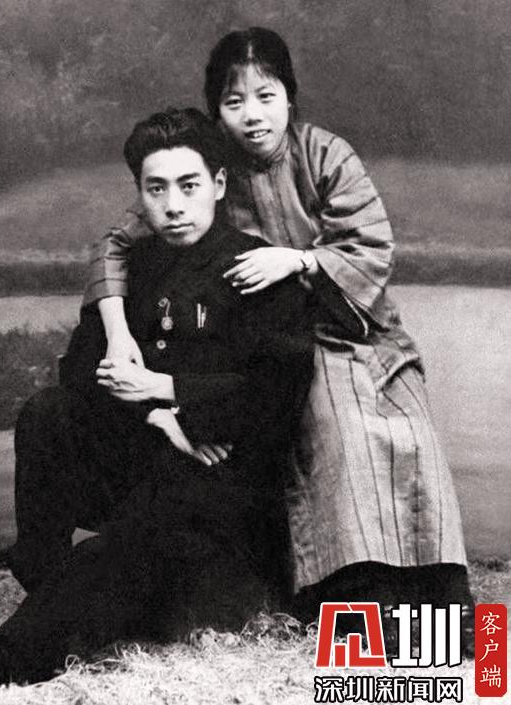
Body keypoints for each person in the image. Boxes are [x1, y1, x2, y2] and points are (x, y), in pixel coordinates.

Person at [0, 107, 315, 700]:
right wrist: (157, 415)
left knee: (119, 557)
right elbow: (80, 371)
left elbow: (275, 402)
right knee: (48, 415)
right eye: (156, 188)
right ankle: (49, 591)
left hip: (223, 497)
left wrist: (175, 399)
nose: (173, 205)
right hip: (148, 464)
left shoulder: (258, 270)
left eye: (189, 185)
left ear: (220, 184)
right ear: (139, 194)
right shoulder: (134, 269)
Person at [85, 27, 473, 631]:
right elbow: (116, 242)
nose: (253, 116)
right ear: (217, 110)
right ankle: (359, 596)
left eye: (266, 97)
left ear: (289, 97)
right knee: (339, 429)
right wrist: (117, 332)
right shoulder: (210, 169)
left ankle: (440, 597)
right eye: (234, 101)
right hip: (277, 341)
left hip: (359, 327)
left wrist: (300, 260)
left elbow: (371, 246)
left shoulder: (325, 154)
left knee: (408, 429)